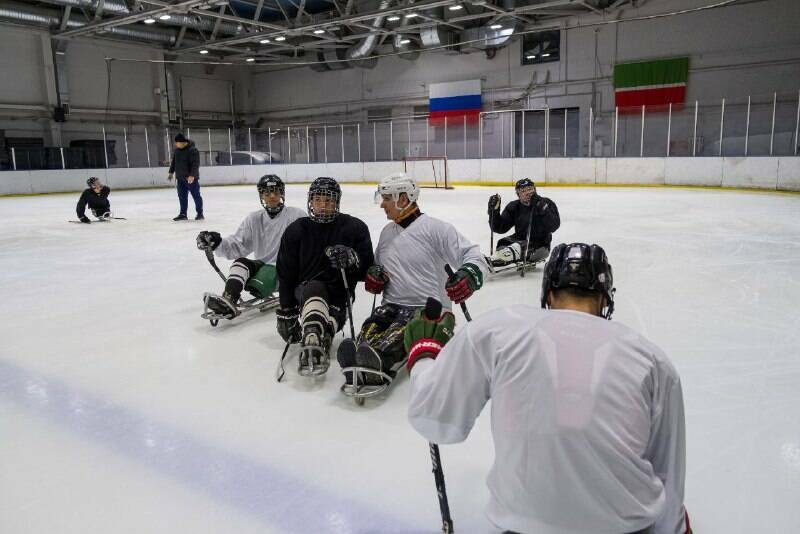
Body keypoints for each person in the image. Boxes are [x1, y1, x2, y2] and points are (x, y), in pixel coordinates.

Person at [404, 243, 692, 534]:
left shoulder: (498, 329)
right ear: (605, 300)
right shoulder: (653, 361)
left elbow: (434, 420)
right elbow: (668, 473)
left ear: (549, 294)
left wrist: (424, 351)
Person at [338, 172, 487, 395]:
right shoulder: (387, 232)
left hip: (427, 307)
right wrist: (375, 275)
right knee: (373, 326)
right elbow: (379, 267)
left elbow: (475, 256)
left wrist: (469, 275)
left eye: (387, 198)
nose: (382, 205)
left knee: (403, 331)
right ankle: (364, 352)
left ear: (404, 199)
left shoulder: (436, 229)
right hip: (392, 305)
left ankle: (377, 360)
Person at [275, 177, 374, 375]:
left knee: (333, 317)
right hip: (305, 291)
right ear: (310, 201)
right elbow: (286, 273)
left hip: (341, 293)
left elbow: (368, 270)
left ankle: (320, 334)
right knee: (315, 288)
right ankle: (313, 332)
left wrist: (353, 258)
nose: (323, 205)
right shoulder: (296, 230)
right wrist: (286, 309)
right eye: (318, 200)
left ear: (337, 202)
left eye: (329, 201)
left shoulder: (354, 228)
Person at [196, 175, 304, 318]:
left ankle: (258, 286)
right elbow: (238, 245)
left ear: (282, 193)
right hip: (262, 267)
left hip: (285, 271)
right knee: (240, 263)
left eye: (276, 192)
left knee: (261, 280)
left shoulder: (296, 216)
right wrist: (217, 243)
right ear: (261, 196)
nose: (272, 196)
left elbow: (309, 244)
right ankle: (229, 299)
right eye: (267, 193)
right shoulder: (254, 219)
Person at [487, 178, 560, 268]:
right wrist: (494, 212)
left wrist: (542, 209)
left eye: (530, 189)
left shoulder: (546, 203)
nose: (528, 192)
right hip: (519, 240)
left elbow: (554, 226)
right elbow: (499, 228)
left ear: (535, 189)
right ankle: (498, 258)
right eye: (523, 191)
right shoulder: (514, 206)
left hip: (540, 244)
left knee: (518, 247)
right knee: (502, 243)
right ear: (518, 194)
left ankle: (504, 256)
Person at [168, 133, 203, 221]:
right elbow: (174, 162)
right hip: (180, 178)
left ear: (182, 142)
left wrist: (192, 175)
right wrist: (171, 172)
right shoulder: (177, 150)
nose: (176, 144)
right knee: (182, 196)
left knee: (196, 196)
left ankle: (200, 213)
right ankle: (183, 214)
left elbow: (195, 164)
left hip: (190, 178)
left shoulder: (192, 150)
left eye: (177, 142)